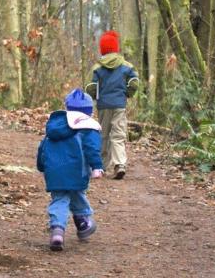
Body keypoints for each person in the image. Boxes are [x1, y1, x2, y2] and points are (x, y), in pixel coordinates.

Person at [36, 88, 104, 251]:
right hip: (76, 170)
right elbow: (91, 148)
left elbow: (43, 147)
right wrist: (97, 167)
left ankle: (57, 232)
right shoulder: (88, 126)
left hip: (54, 172)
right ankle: (82, 222)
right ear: (89, 110)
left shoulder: (55, 125)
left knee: (59, 199)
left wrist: (41, 165)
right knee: (76, 194)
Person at [86, 30, 139, 179]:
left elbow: (91, 86)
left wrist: (94, 97)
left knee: (103, 135)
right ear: (116, 48)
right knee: (118, 134)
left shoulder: (97, 67)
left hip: (103, 105)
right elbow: (134, 82)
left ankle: (100, 166)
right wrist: (127, 93)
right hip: (119, 105)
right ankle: (119, 164)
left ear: (102, 49)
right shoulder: (126, 66)